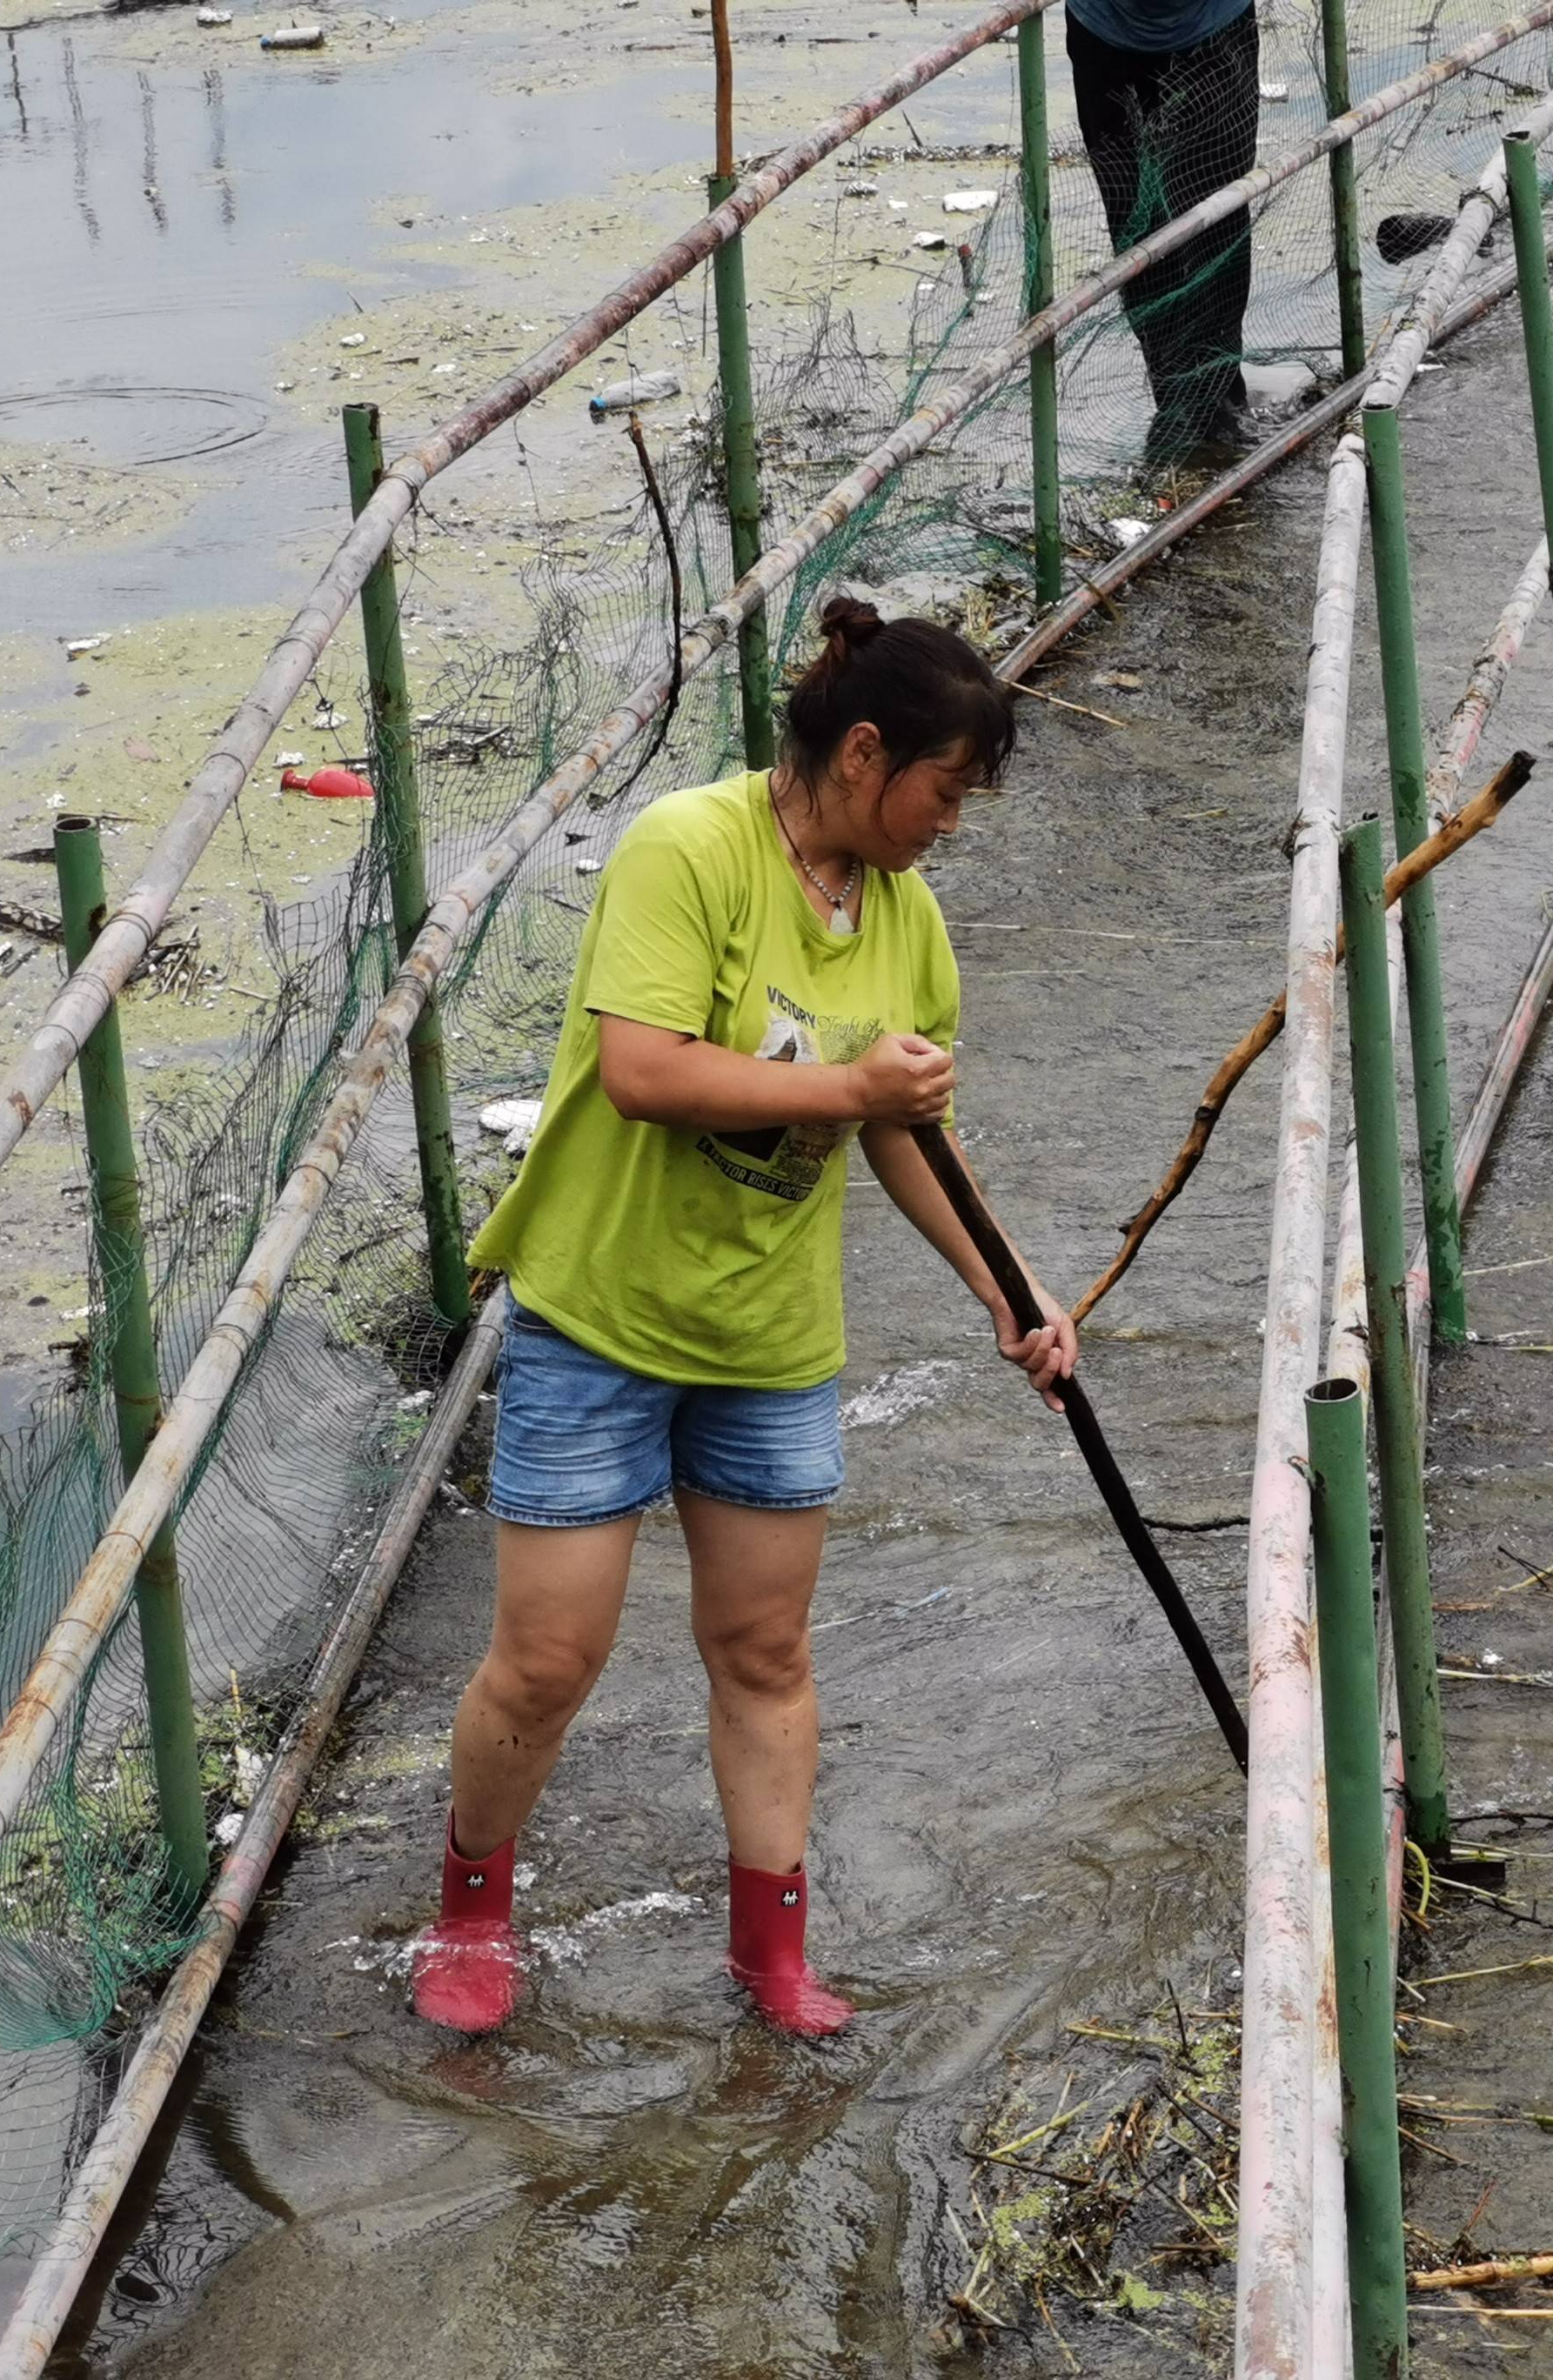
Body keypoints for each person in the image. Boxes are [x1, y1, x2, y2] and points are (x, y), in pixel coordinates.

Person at [409, 598, 1076, 2039]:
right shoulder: (688, 850)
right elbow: (646, 1070)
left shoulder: (903, 921)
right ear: (859, 751)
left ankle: (771, 1956)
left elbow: (912, 1138)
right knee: (548, 1656)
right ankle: (470, 1907)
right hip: (601, 1313)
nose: (949, 826)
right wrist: (849, 1093)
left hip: (768, 1343)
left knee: (764, 1650)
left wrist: (1013, 1297)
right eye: (944, 793)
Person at [1064, 0, 1262, 469]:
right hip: (1106, 34)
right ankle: (1176, 401)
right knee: (1139, 231)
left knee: (1219, 217)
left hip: (1213, 28)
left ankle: (1218, 407)